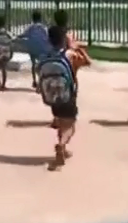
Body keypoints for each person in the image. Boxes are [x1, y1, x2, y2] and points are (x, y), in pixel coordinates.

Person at [37, 25, 78, 171]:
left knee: (61, 122)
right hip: (68, 95)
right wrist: (73, 46)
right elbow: (86, 62)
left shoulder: (44, 57)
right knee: (70, 125)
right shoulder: (68, 54)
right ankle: (61, 144)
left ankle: (63, 149)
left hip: (53, 97)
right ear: (63, 40)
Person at [16, 10, 50, 89]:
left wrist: (18, 36)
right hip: (42, 49)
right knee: (41, 65)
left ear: (33, 18)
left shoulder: (31, 27)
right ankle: (40, 80)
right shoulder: (43, 27)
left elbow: (24, 34)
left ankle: (34, 81)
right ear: (40, 18)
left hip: (32, 48)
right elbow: (47, 37)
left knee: (33, 64)